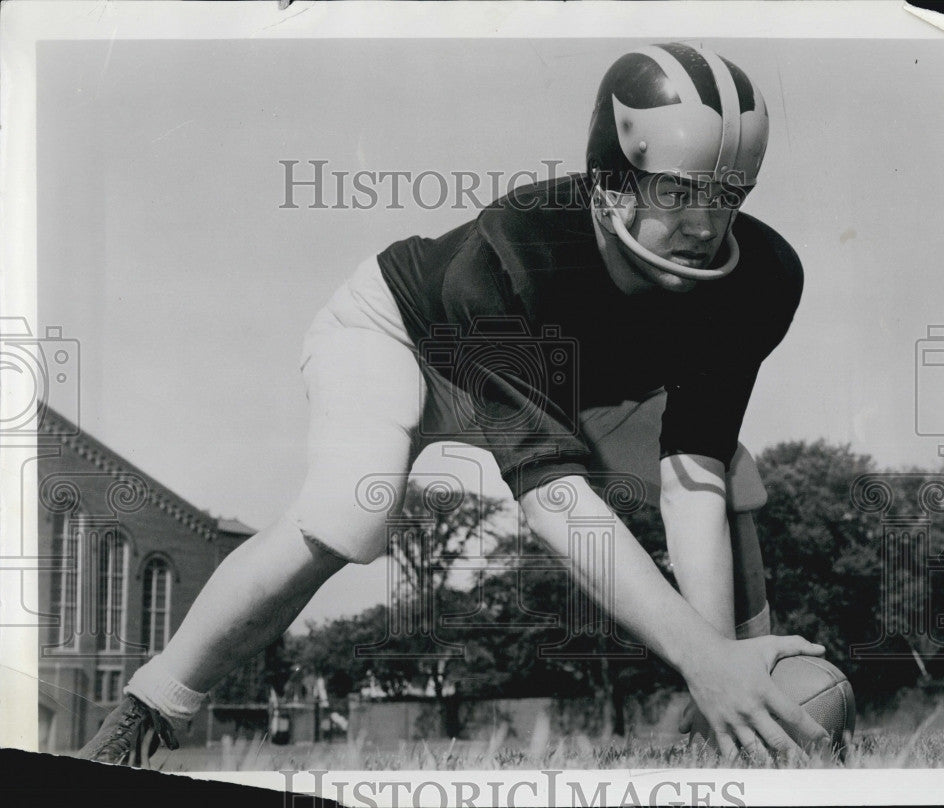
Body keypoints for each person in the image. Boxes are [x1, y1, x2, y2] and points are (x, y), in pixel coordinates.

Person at [78, 42, 828, 767]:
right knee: (345, 515)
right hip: (403, 338)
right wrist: (701, 657)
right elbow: (552, 498)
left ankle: (737, 712)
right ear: (610, 179)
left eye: (727, 194)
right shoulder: (514, 252)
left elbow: (688, 469)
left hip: (560, 387)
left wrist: (720, 667)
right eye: (677, 190)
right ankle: (148, 709)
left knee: (729, 478)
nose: (706, 224)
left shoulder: (762, 276)